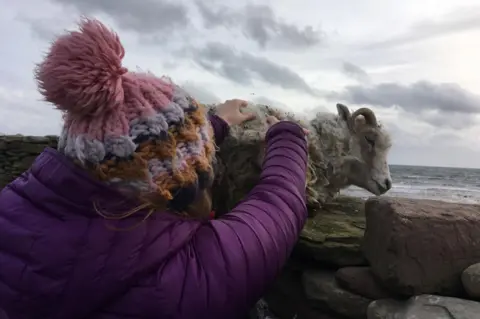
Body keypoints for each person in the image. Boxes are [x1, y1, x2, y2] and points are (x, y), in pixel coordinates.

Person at [0, 18, 308, 319]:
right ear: (186, 191)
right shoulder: (183, 282)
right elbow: (277, 206)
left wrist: (216, 123)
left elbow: (149, 158)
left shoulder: (13, 208)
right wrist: (287, 136)